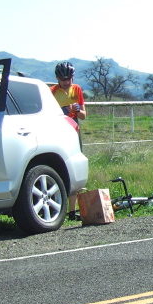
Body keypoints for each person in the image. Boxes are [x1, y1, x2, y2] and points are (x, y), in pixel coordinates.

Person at [50, 61, 87, 220]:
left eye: (69, 79)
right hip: (58, 128)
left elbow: (84, 115)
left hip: (74, 129)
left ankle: (72, 211)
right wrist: (66, 110)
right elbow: (49, 113)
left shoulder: (77, 89)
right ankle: (57, 209)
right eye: (64, 79)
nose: (67, 82)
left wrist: (77, 110)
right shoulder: (51, 92)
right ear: (57, 78)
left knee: (75, 167)